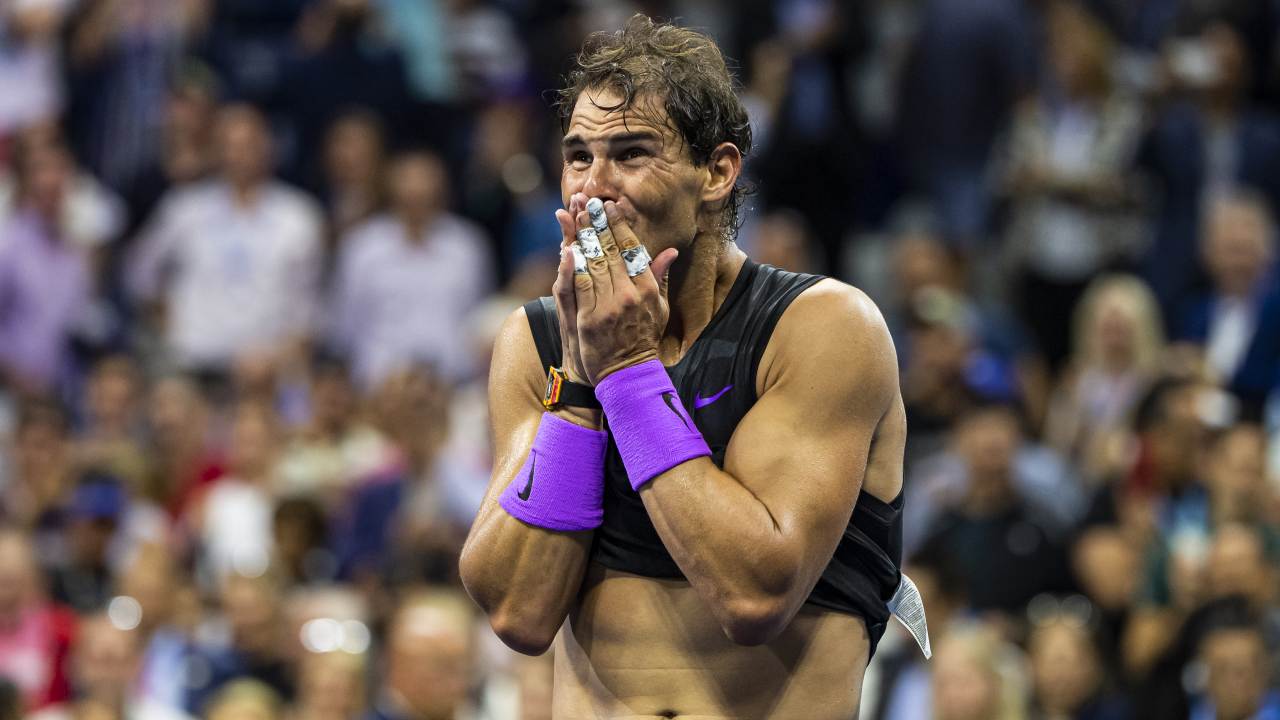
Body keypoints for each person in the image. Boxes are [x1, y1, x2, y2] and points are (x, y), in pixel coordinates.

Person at [460, 15, 914, 717]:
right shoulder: (537, 342)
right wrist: (581, 379)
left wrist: (628, 370)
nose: (594, 186)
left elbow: (753, 594)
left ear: (718, 171)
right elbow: (519, 613)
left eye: (631, 153)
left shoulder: (820, 328)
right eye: (578, 157)